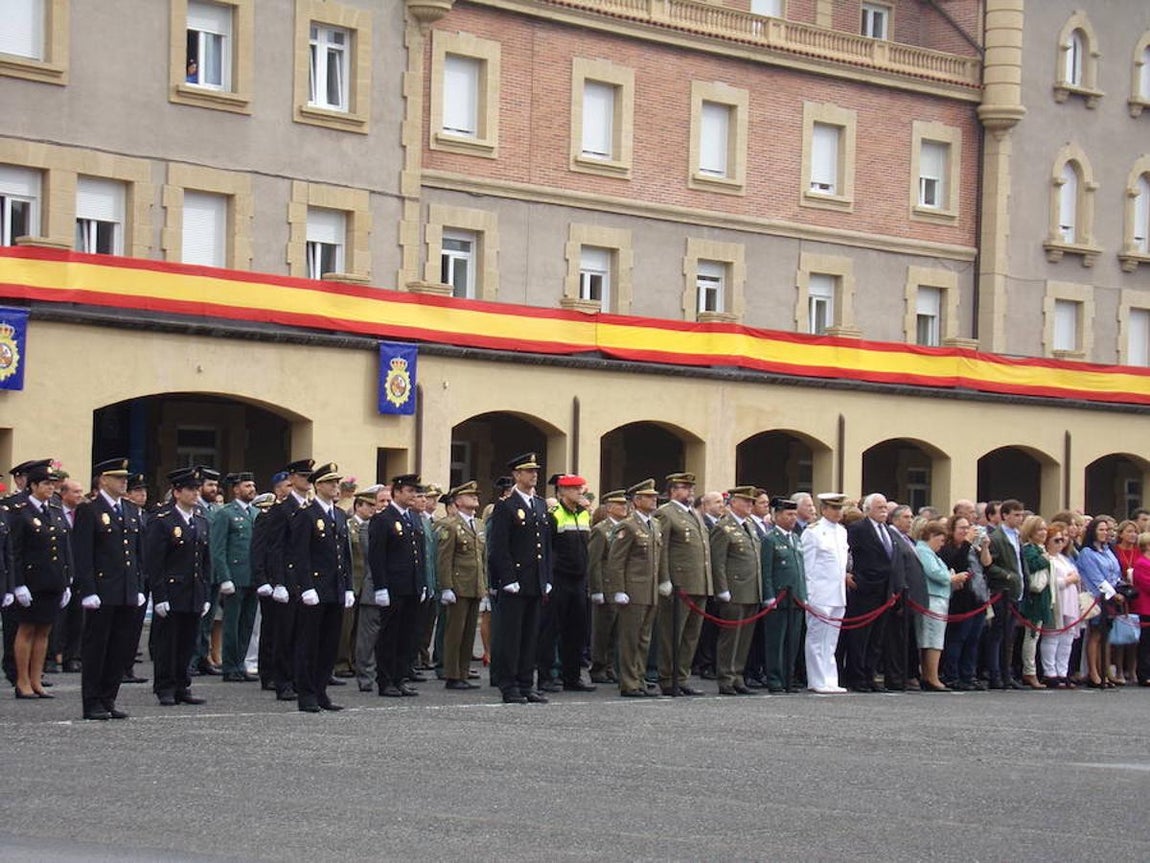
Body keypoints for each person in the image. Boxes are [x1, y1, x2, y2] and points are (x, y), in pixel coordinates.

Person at [72, 458, 145, 720]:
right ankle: (92, 701)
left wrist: (137, 585)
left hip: (125, 589)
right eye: (118, 478)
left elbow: (135, 553)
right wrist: (88, 589)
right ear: (103, 480)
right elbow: (83, 553)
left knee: (119, 647)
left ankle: (108, 698)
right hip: (102, 590)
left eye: (125, 478)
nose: (124, 482)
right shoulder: (89, 510)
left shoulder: (128, 509)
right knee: (97, 648)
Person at [486, 453, 553, 704]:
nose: (534, 474)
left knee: (530, 635)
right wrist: (507, 577)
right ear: (516, 475)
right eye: (528, 471)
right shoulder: (506, 505)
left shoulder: (539, 504)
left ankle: (526, 683)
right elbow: (499, 547)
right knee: (510, 637)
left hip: (534, 580)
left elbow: (544, 545)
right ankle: (509, 684)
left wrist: (545, 575)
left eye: (535, 470)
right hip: (515, 581)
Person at [288, 463, 354, 712]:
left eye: (337, 483)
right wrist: (305, 586)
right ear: (318, 486)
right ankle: (306, 694)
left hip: (335, 588)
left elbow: (344, 555)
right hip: (314, 588)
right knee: (308, 643)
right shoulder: (307, 514)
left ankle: (321, 690)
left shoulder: (338, 515)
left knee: (329, 644)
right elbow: (299, 553)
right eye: (330, 483)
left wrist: (348, 586)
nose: (336, 487)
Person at [144, 468, 211, 706]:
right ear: (176, 492)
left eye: (196, 489)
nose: (195, 494)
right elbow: (155, 561)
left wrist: (205, 594)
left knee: (187, 642)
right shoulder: (162, 520)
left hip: (193, 590)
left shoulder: (200, 520)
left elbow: (205, 560)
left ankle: (183, 685)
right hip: (171, 591)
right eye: (190, 490)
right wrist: (159, 595)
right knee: (167, 643)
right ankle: (165, 686)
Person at [8, 464, 71, 699]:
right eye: (45, 484)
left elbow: (63, 548)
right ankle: (22, 680)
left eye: (52, 484)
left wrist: (66, 580)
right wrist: (18, 584)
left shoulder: (54, 510)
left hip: (51, 579)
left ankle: (36, 679)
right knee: (26, 630)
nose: (50, 488)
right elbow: (14, 551)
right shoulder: (20, 511)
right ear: (33, 486)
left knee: (44, 631)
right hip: (30, 581)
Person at [604, 479, 666, 697]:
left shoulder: (655, 525)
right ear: (637, 501)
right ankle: (629, 682)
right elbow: (616, 561)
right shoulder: (627, 526)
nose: (654, 499)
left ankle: (639, 679)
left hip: (649, 591)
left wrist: (662, 582)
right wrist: (619, 589)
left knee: (644, 639)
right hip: (633, 590)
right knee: (630, 639)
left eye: (654, 496)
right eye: (649, 496)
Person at [653, 472, 712, 697]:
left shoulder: (695, 514)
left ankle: (683, 676)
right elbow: (663, 548)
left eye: (691, 487)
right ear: (673, 491)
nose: (690, 491)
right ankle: (668, 678)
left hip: (698, 583)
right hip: (679, 585)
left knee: (691, 635)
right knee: (672, 635)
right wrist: (664, 578)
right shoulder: (666, 513)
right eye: (685, 487)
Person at [369, 474, 426, 698]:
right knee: (390, 635)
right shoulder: (383, 519)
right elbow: (377, 556)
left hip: (411, 587)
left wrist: (420, 584)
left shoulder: (412, 518)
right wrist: (380, 587)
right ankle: (386, 680)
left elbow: (418, 555)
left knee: (407, 635)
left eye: (416, 492)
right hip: (393, 587)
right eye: (410, 491)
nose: (414, 496)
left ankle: (400, 677)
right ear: (398, 492)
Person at [263, 458, 315, 702]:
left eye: (309, 477)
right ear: (292, 479)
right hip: (288, 578)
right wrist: (278, 581)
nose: (308, 481)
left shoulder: (310, 509)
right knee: (285, 634)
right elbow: (275, 549)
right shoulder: (281, 510)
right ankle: (282, 681)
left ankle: (297, 678)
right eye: (304, 477)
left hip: (305, 580)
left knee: (303, 635)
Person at [539, 474, 594, 692]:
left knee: (577, 630)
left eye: (580, 488)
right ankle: (546, 676)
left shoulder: (583, 515)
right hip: (559, 579)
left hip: (579, 580)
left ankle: (572, 676)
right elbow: (547, 549)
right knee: (550, 630)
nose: (580, 492)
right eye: (574, 489)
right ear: (562, 492)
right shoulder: (554, 515)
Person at [710, 486, 762, 696]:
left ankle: (738, 675)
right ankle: (726, 678)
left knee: (745, 637)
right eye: (745, 501)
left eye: (751, 502)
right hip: (734, 589)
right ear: (732, 503)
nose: (750, 505)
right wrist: (722, 589)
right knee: (731, 637)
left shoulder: (749, 525)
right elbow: (718, 562)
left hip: (751, 589)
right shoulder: (724, 527)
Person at [436, 481, 487, 690]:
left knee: (468, 634)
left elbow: (482, 558)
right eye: (469, 495)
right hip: (458, 585)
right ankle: (452, 674)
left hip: (474, 584)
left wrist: (484, 585)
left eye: (475, 494)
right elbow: (444, 559)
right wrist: (446, 586)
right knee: (455, 632)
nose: (475, 497)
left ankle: (464, 671)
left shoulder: (480, 524)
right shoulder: (450, 525)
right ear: (458, 501)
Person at [843, 493, 897, 692]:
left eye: (885, 507)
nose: (884, 511)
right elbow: (845, 553)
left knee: (876, 638)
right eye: (879, 507)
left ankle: (869, 674)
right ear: (867, 510)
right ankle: (856, 677)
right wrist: (847, 574)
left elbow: (891, 561)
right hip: (864, 588)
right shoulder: (858, 529)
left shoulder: (888, 531)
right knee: (860, 636)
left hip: (884, 590)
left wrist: (892, 589)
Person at [210, 472, 259, 683]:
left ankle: (241, 663)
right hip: (235, 576)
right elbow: (217, 549)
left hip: (253, 577)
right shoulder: (226, 514)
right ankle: (230, 666)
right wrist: (224, 577)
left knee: (247, 623)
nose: (252, 489)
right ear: (236, 489)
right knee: (232, 623)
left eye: (253, 485)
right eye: (247, 486)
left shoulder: (256, 513)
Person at [801, 493, 849, 694]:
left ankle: (830, 678)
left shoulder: (842, 531)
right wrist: (809, 595)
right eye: (834, 508)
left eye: (840, 508)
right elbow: (808, 567)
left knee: (830, 641)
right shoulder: (813, 532)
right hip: (819, 593)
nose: (838, 512)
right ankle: (817, 679)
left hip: (837, 593)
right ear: (824, 509)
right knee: (816, 639)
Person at [938, 515, 989, 691]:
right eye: (961, 528)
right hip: (959, 600)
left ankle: (968, 674)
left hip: (977, 598)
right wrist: (966, 542)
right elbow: (956, 563)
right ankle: (952, 675)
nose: (966, 531)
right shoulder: (948, 548)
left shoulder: (973, 548)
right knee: (958, 638)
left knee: (973, 639)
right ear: (952, 530)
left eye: (968, 528)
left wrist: (985, 547)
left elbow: (986, 565)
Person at [761, 496, 806, 693]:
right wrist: (769, 596)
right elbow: (766, 570)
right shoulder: (770, 539)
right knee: (776, 641)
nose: (792, 518)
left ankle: (788, 677)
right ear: (777, 515)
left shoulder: (795, 538)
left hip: (795, 597)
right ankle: (775, 678)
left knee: (792, 642)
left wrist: (803, 594)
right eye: (788, 514)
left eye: (794, 514)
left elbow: (800, 569)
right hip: (778, 597)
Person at [914, 521, 966, 691]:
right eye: (941, 540)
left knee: (933, 639)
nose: (942, 545)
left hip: (938, 597)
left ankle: (929, 674)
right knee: (933, 640)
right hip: (932, 599)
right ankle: (932, 677)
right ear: (932, 536)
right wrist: (952, 578)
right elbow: (934, 573)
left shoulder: (929, 552)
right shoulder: (923, 551)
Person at [984, 499, 1028, 690]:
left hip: (1015, 590)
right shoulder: (997, 537)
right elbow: (989, 565)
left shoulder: (1017, 536)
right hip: (1002, 591)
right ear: (1005, 515)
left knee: (1009, 636)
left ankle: (1006, 673)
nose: (1020, 518)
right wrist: (1007, 575)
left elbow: (1020, 561)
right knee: (998, 635)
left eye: (1021, 515)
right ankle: (995, 674)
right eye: (1016, 515)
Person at [1076, 516, 1125, 688]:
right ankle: (1093, 673)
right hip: (1098, 597)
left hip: (1111, 597)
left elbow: (1115, 572)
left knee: (1106, 636)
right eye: (1101, 530)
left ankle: (1105, 671)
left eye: (1107, 530)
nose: (1105, 533)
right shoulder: (1087, 553)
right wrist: (1113, 594)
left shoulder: (1107, 550)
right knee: (1095, 634)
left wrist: (1121, 589)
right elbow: (1096, 578)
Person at [588, 490, 626, 684]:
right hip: (606, 585)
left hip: (620, 587)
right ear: (610, 508)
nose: (624, 508)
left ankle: (610, 666)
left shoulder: (625, 528)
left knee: (616, 631)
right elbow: (594, 562)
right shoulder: (601, 530)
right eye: (620, 505)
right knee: (602, 631)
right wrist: (596, 590)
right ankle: (598, 667)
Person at [1040, 523, 1081, 688]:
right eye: (1056, 540)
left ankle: (1063, 671)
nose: (1060, 543)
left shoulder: (1064, 559)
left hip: (1070, 600)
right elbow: (1047, 581)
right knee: (1052, 636)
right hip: (1056, 599)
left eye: (1062, 540)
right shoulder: (1046, 558)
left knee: (1067, 638)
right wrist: (1068, 580)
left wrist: (1074, 578)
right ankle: (1050, 672)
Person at [1018, 516, 1054, 688]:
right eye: (1039, 529)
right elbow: (1030, 566)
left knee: (1036, 636)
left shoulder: (1041, 548)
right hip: (1034, 598)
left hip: (1043, 597)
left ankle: (1032, 669)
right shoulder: (1030, 549)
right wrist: (1045, 559)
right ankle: (1029, 671)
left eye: (1045, 529)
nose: (1043, 533)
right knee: (1031, 637)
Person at [1111, 519, 1140, 685]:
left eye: (1135, 532)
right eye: (1129, 531)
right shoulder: (1115, 551)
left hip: (1136, 594)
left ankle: (1133, 669)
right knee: (1121, 632)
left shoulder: (1138, 552)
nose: (1133, 535)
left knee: (1135, 634)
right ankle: (1120, 669)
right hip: (1121, 593)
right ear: (1121, 534)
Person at [1131, 531, 1150, 687]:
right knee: (1146, 643)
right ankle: (1144, 674)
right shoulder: (1142, 563)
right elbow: (1147, 584)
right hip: (1145, 608)